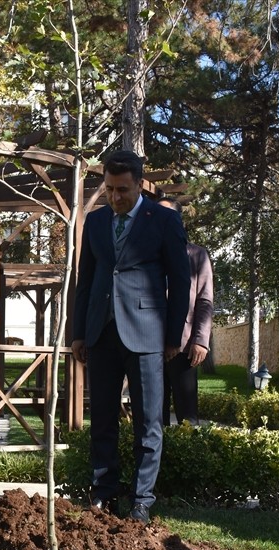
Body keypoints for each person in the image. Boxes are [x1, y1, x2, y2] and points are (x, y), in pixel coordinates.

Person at [70, 150, 191, 523]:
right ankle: (103, 494)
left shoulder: (165, 221)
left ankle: (142, 501)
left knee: (148, 422)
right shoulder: (95, 221)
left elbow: (181, 281)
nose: (115, 196)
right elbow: (85, 280)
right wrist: (79, 333)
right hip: (102, 333)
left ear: (140, 185)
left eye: (122, 189)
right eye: (109, 188)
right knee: (102, 418)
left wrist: (172, 336)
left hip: (147, 335)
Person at [158, 197, 214, 427]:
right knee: (153, 416)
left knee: (187, 417)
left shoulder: (197, 255)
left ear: (178, 221)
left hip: (184, 347)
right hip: (149, 345)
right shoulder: (145, 253)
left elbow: (205, 301)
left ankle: (190, 458)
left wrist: (201, 340)